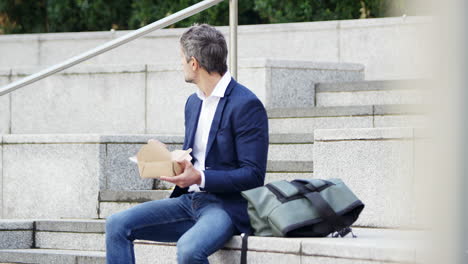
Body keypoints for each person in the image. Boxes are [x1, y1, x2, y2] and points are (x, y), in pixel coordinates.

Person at [105, 24, 269, 264]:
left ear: (194, 63)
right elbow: (198, 158)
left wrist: (199, 177)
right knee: (116, 224)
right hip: (188, 202)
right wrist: (171, 161)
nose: (179, 64)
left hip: (226, 207)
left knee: (189, 249)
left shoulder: (246, 105)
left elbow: (253, 175)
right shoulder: (193, 103)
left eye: (181, 58)